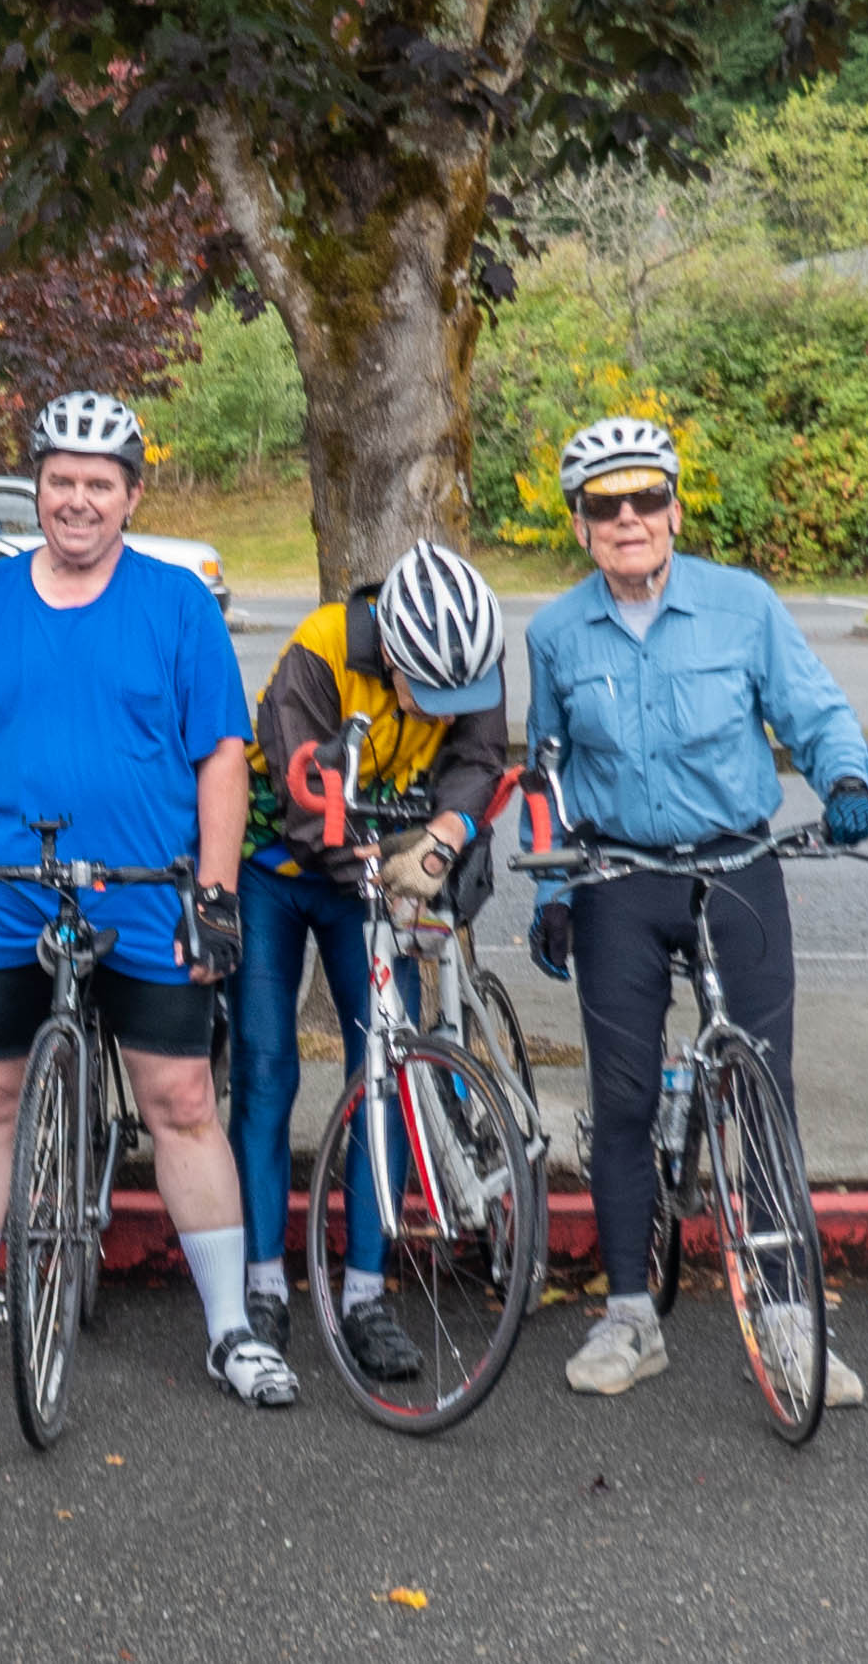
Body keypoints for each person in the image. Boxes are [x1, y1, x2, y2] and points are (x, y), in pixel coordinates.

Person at [0, 392, 282, 1406]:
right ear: (35, 488)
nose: (77, 499)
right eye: (59, 479)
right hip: (0, 896)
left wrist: (215, 895)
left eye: (98, 483)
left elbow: (222, 759)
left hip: (145, 895)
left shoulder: (177, 603)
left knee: (183, 1100)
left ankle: (231, 1327)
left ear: (131, 495)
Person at [524, 415, 868, 1403]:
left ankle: (788, 1318)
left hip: (737, 869)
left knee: (763, 1090)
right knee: (624, 1097)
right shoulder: (555, 633)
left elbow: (815, 711)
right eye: (605, 504)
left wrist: (846, 777)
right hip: (618, 879)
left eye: (646, 497)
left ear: (675, 509)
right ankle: (629, 1315)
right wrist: (552, 887)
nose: (628, 518)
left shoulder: (743, 604)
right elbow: (546, 771)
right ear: (581, 524)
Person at [234, 538, 513, 1375]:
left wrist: (441, 840)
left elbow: (478, 760)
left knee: (383, 1071)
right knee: (266, 1067)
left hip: (380, 863)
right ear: (389, 648)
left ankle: (364, 1293)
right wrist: (375, 869)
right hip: (276, 866)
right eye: (427, 691)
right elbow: (303, 799)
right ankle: (261, 1285)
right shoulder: (320, 648)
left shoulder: (471, 652)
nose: (441, 710)